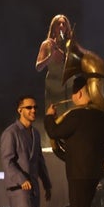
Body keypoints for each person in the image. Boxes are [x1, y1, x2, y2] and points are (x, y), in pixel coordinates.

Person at [44, 75, 104, 207]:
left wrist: (49, 116)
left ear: (79, 93)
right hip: (94, 171)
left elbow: (55, 132)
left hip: (78, 172)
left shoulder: (76, 115)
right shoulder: (102, 116)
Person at [0, 95, 52, 207]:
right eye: (29, 107)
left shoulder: (35, 133)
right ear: (20, 110)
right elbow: (7, 161)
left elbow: (39, 161)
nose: (33, 110)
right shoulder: (10, 133)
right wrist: (22, 179)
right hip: (18, 186)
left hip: (33, 186)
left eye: (35, 107)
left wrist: (47, 183)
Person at [35, 15, 73, 143]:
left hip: (68, 85)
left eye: (64, 24)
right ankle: (54, 145)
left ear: (67, 28)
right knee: (54, 116)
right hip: (53, 86)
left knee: (70, 116)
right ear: (53, 27)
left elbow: (75, 63)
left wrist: (62, 52)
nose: (61, 26)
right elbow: (38, 67)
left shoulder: (70, 44)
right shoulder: (47, 44)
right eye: (58, 24)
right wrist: (50, 56)